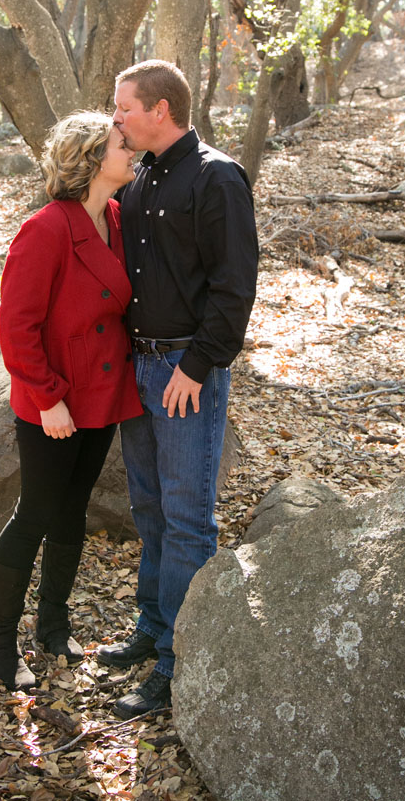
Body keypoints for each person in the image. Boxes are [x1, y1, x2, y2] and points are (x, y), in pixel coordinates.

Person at [98, 60, 258, 719]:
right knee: (150, 509)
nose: (117, 120)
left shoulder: (216, 177)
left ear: (160, 109)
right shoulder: (139, 183)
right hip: (138, 367)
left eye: (123, 108)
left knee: (189, 519)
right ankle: (150, 626)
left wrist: (196, 367)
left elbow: (234, 284)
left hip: (185, 374)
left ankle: (178, 658)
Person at [0, 111, 142, 691]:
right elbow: (16, 327)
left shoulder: (119, 218)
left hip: (101, 393)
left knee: (73, 510)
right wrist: (49, 398)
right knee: (36, 514)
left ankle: (53, 625)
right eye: (123, 144)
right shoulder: (46, 229)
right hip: (53, 400)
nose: (133, 151)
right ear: (95, 158)